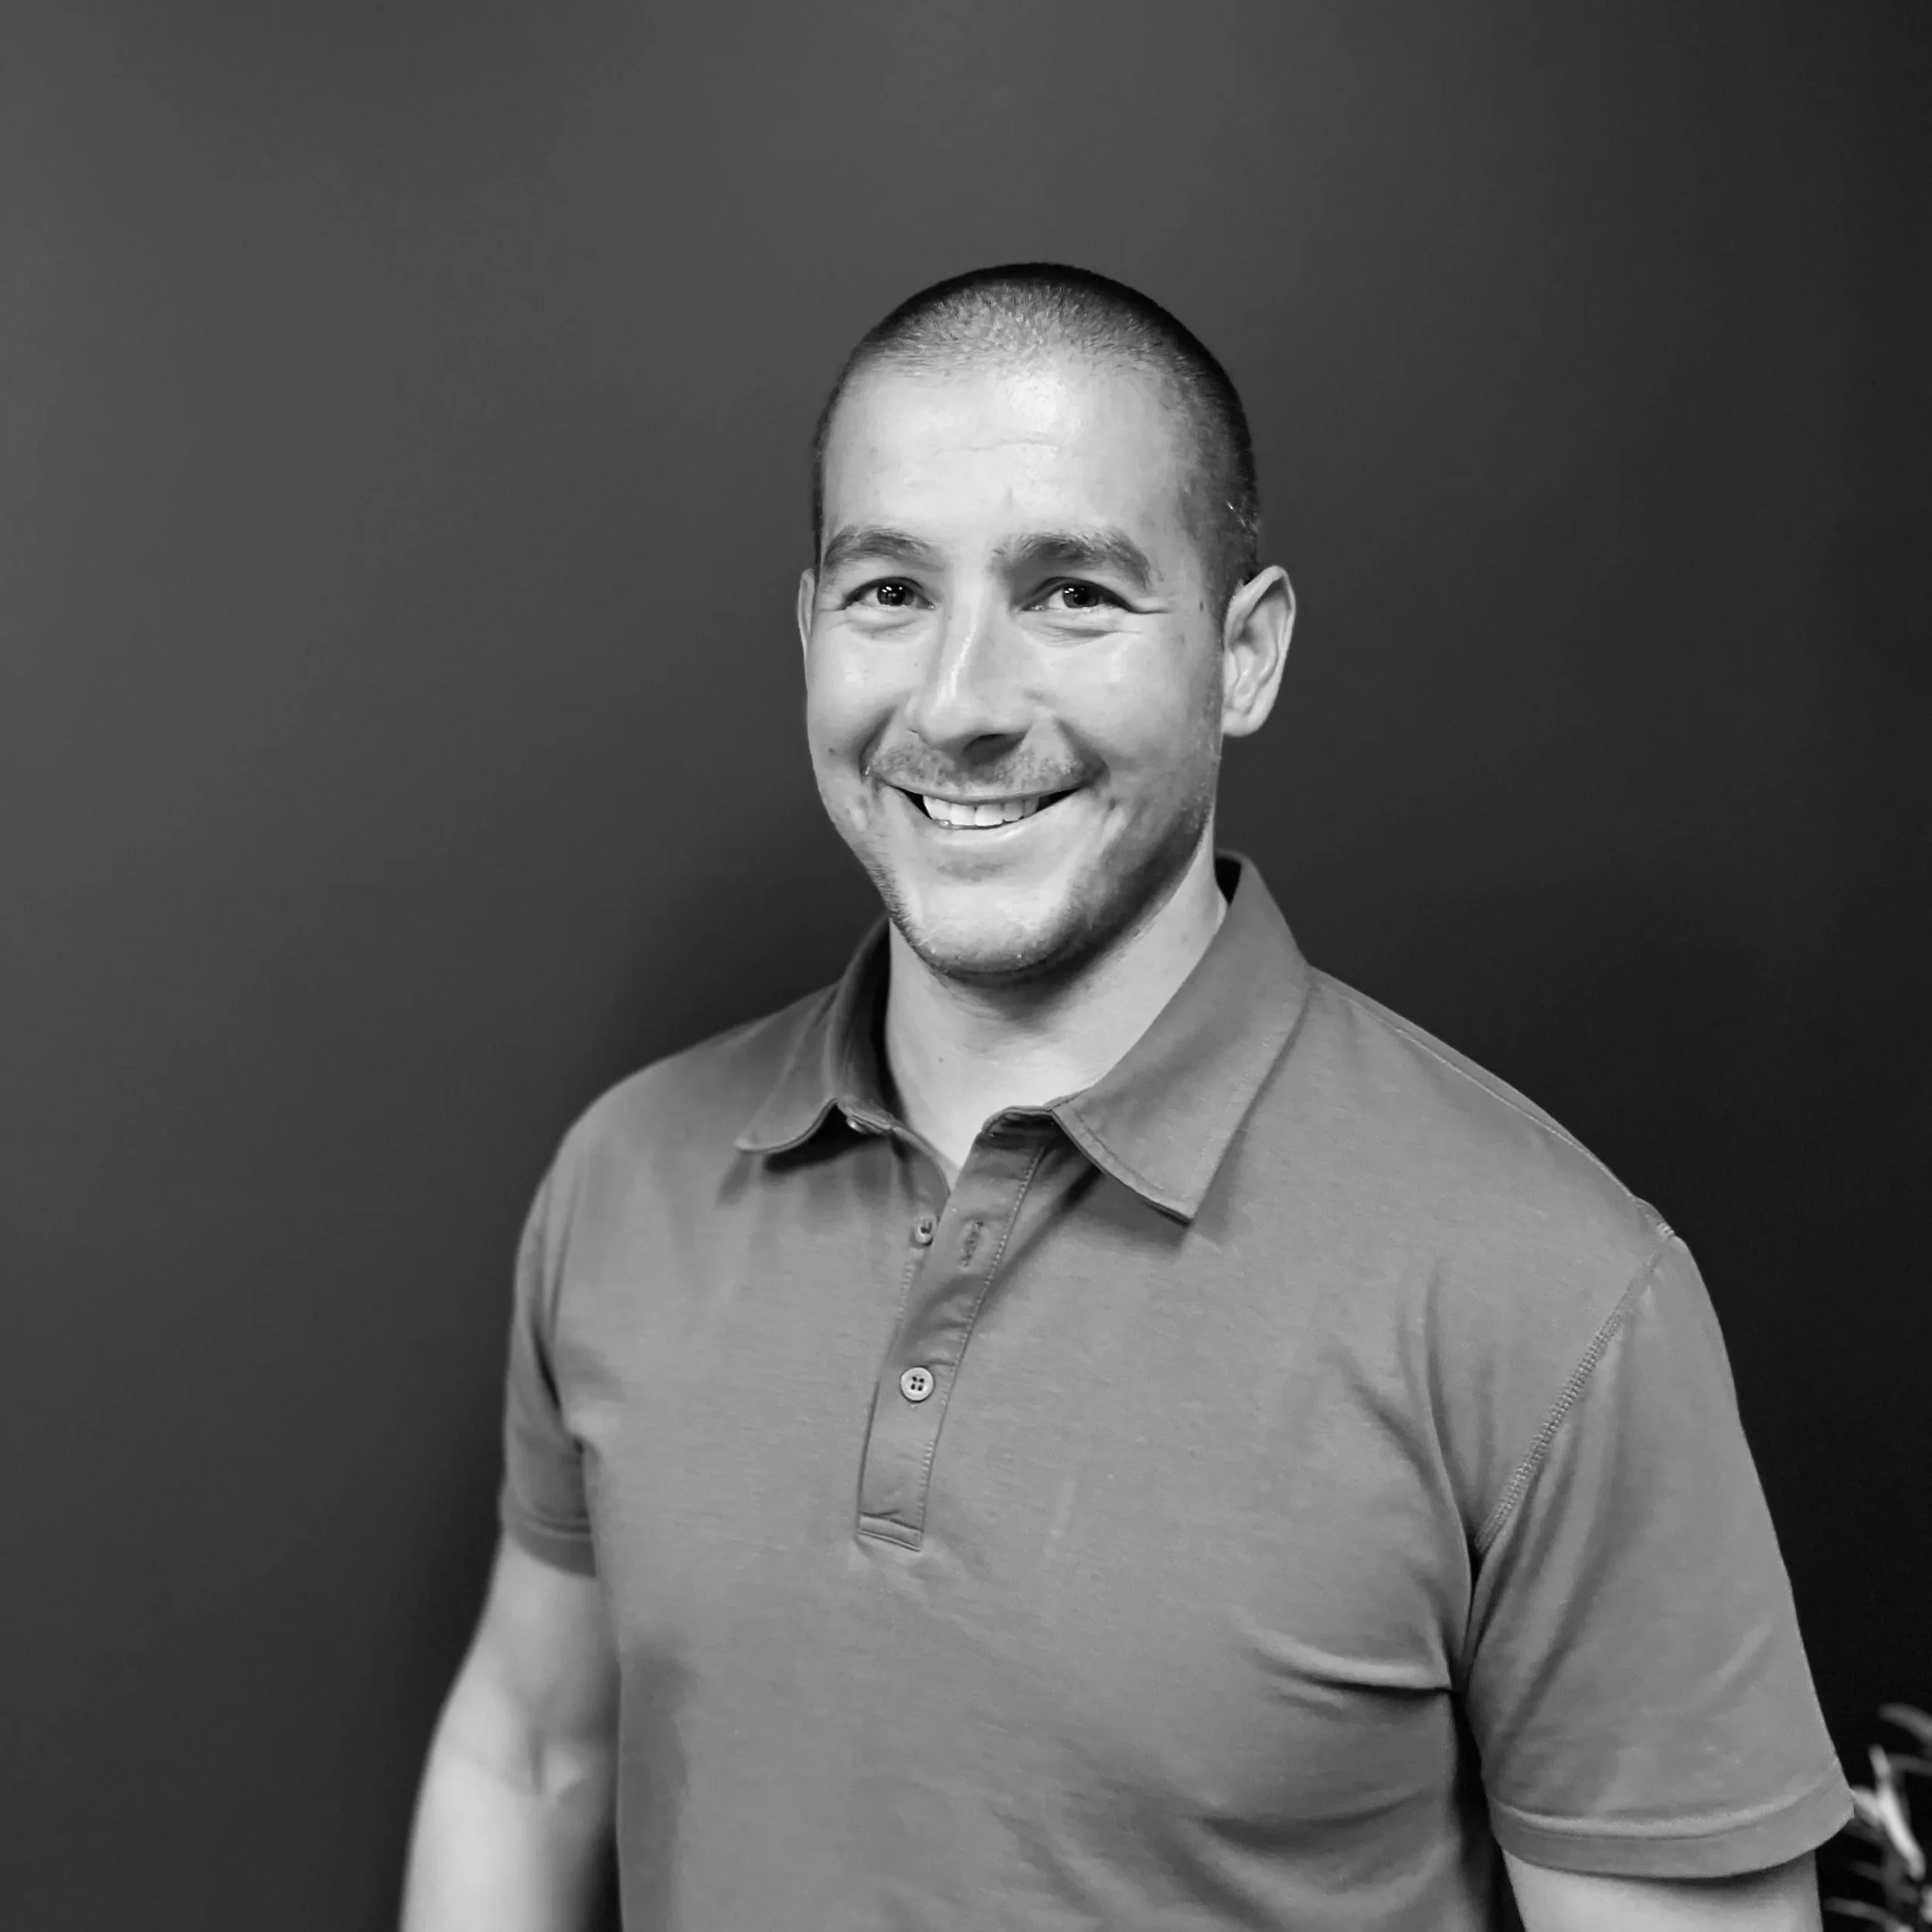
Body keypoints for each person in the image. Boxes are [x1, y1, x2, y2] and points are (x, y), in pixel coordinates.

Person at [398, 264, 1852, 1930]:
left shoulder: (1553, 1293)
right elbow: (527, 1753)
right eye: (887, 590)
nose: (956, 700)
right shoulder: (626, 1174)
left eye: (1071, 593)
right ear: (807, 626)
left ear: (1244, 654)